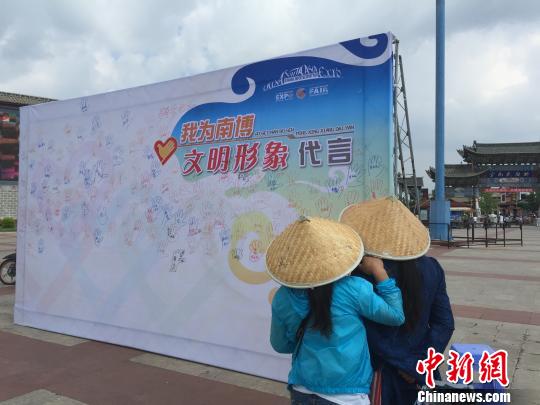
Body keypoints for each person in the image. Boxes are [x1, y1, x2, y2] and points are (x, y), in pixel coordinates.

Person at [267, 216, 405, 405]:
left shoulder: (283, 296)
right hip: (348, 395)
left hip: (302, 390)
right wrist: (379, 271)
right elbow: (396, 316)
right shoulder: (354, 288)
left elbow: (280, 345)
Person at [340, 197, 454, 405]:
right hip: (419, 374)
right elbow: (444, 324)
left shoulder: (363, 272)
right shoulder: (432, 268)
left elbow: (365, 330)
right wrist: (419, 364)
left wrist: (405, 363)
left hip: (377, 374)